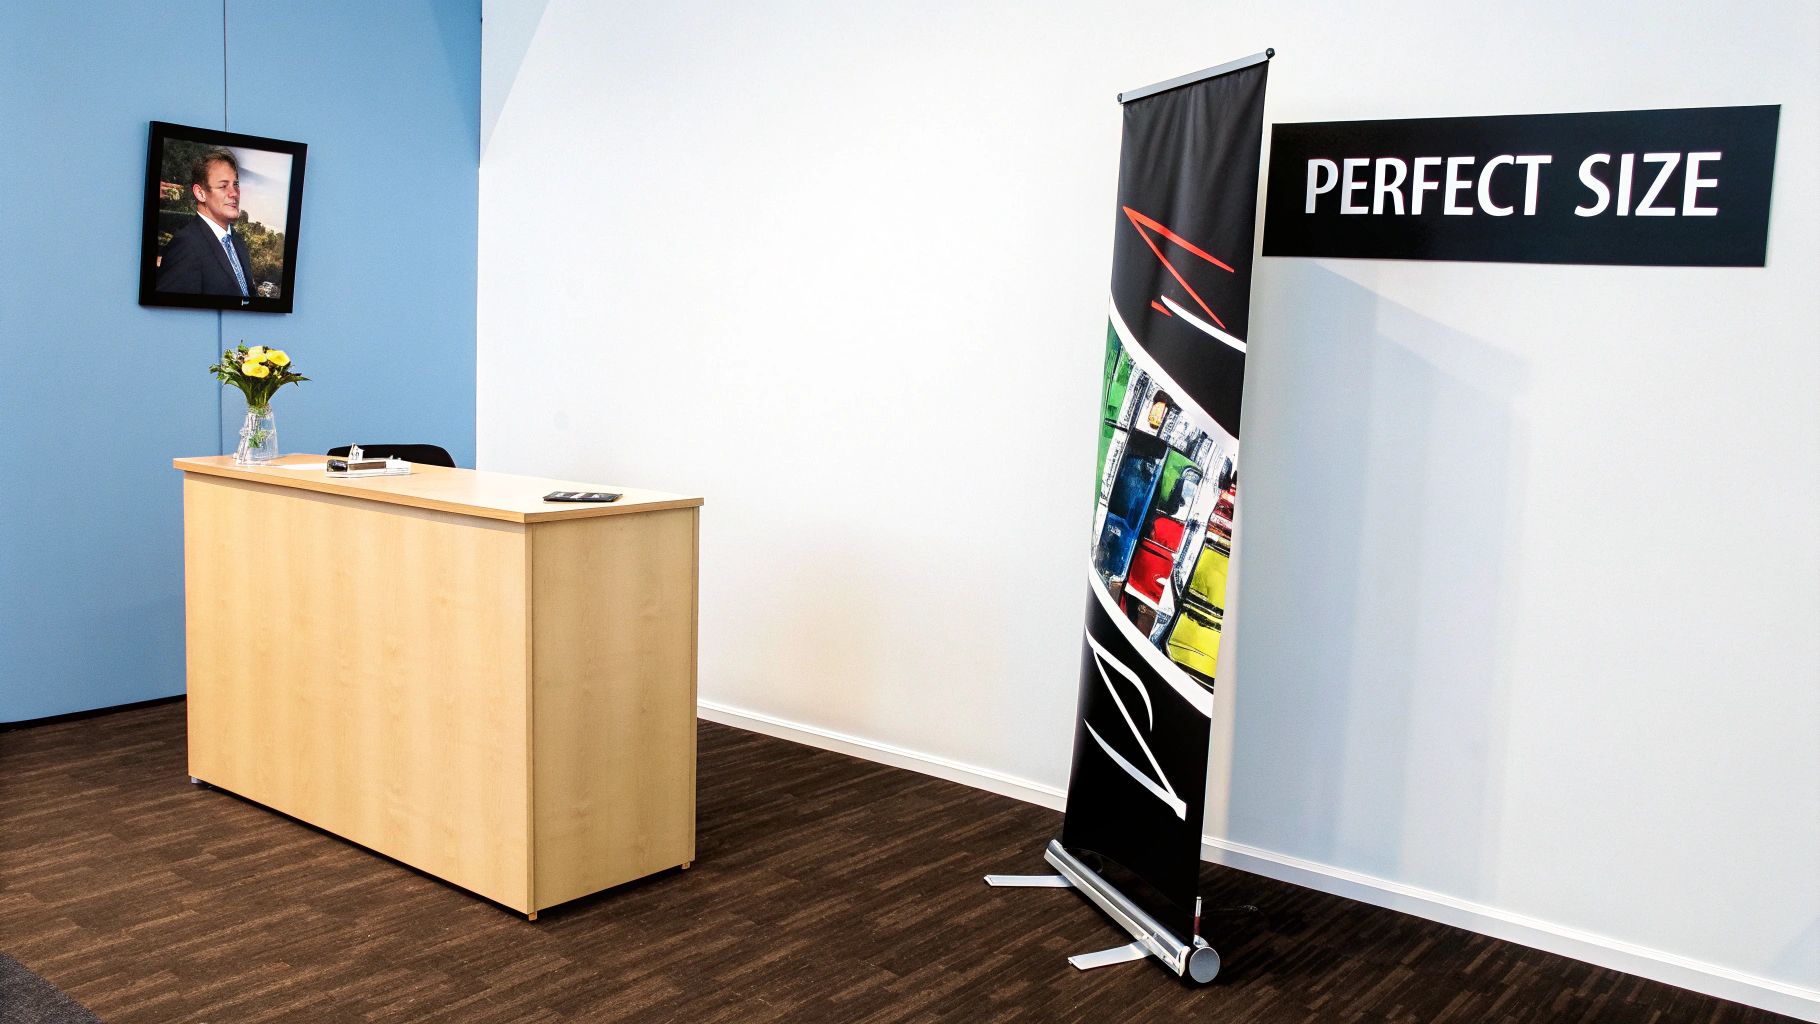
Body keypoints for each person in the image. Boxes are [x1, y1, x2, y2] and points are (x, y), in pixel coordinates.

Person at [156, 149, 256, 297]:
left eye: (236, 184)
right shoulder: (186, 245)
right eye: (223, 186)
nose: (234, 193)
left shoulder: (238, 241)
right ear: (200, 193)